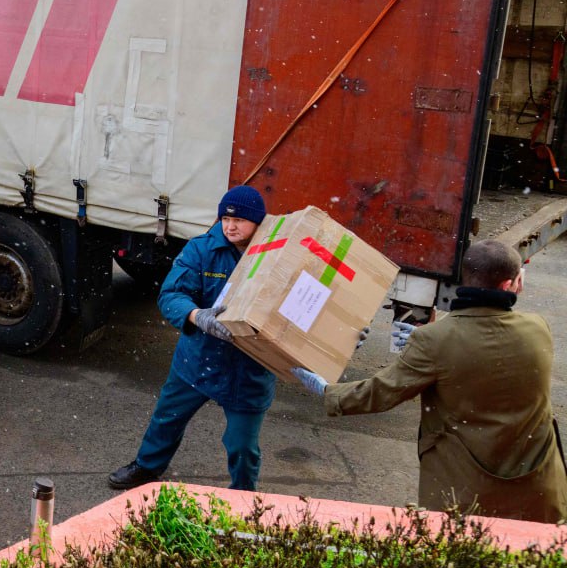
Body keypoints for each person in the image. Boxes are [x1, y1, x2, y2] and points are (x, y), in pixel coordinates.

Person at [292, 239, 567, 523]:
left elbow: (381, 392)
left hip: (467, 492)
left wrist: (328, 391)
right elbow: (487, 349)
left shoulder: (435, 341)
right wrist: (431, 341)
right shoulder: (538, 328)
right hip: (538, 488)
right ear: (511, 285)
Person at [108, 185, 274, 492]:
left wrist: (342, 334)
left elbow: (309, 306)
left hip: (248, 369)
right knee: (167, 418)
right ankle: (147, 467)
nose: (230, 226)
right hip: (199, 358)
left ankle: (244, 494)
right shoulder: (202, 249)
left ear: (258, 222)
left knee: (242, 445)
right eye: (225, 219)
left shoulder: (275, 257)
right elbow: (172, 294)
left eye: (239, 220)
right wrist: (198, 316)